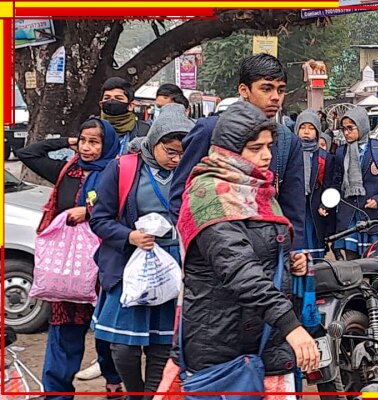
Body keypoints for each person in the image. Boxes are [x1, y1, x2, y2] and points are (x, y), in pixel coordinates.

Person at [176, 101, 320, 397]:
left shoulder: (255, 188)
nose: (266, 156)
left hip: (263, 335)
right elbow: (240, 270)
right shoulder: (210, 196)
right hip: (220, 342)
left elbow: (262, 251)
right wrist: (290, 326)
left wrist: (289, 261)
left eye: (268, 146)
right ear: (229, 152)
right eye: (255, 148)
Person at [89, 103, 193, 399]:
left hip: (173, 270)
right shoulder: (123, 168)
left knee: (162, 346)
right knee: (123, 347)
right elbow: (100, 218)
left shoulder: (192, 173)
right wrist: (130, 236)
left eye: (182, 152)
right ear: (154, 141)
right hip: (130, 267)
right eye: (170, 151)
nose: (176, 159)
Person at [16, 118, 124, 399]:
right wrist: (68, 142)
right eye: (84, 141)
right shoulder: (69, 170)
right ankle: (56, 392)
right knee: (64, 329)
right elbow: (29, 153)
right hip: (68, 268)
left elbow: (124, 211)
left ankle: (114, 383)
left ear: (107, 144)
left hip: (104, 266)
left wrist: (89, 213)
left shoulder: (117, 172)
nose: (87, 148)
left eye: (94, 142)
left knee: (106, 333)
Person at [170, 53, 306, 252]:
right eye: (266, 88)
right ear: (244, 90)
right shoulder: (209, 131)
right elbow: (180, 199)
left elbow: (293, 211)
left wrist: (293, 256)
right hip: (211, 259)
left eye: (281, 90)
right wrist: (200, 257)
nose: (276, 97)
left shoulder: (288, 141)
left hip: (266, 259)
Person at [331, 107, 378, 260]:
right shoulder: (341, 152)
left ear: (362, 127)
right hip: (349, 216)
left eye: (350, 128)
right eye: (343, 129)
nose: (346, 132)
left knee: (374, 261)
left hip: (372, 215)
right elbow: (336, 182)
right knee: (352, 262)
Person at [295, 109, 334, 261]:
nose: (306, 132)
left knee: (313, 237)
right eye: (303, 127)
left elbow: (329, 185)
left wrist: (325, 205)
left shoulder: (324, 157)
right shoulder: (291, 153)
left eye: (311, 128)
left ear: (317, 132)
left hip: (314, 206)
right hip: (296, 206)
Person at [99, 77, 150, 155]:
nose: (112, 101)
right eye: (107, 98)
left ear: (130, 105)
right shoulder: (91, 128)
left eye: (118, 98)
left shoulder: (144, 131)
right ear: (101, 104)